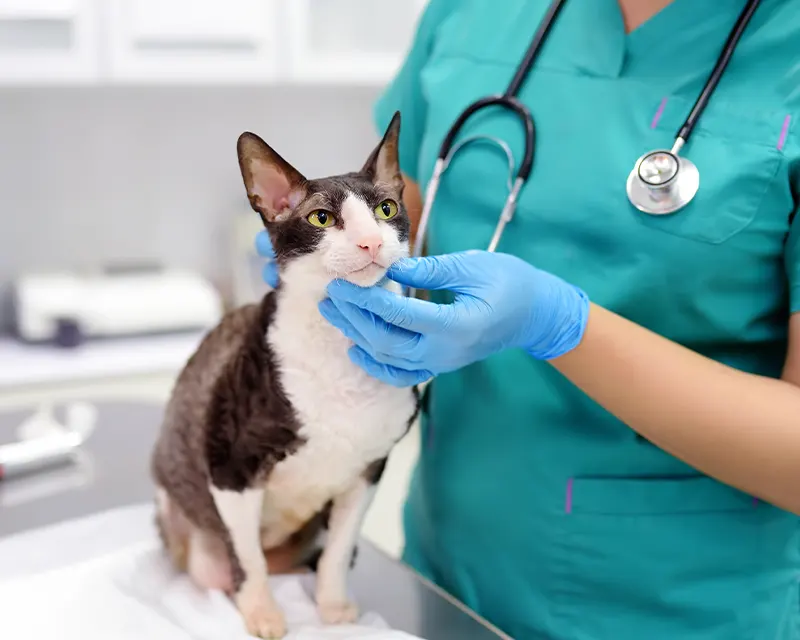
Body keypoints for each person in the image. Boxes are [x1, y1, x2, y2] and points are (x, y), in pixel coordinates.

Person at [255, 0, 800, 637]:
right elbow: (396, 206)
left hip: (677, 606)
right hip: (444, 578)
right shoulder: (472, 13)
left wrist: (558, 325)